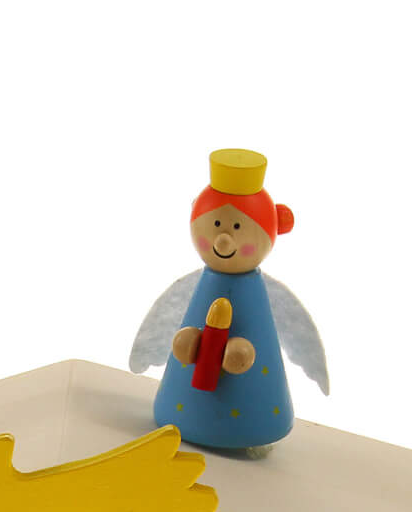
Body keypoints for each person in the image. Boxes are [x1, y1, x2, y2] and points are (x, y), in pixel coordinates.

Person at [129, 149, 327, 452]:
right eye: (216, 225)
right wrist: (187, 342)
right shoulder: (205, 284)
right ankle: (186, 416)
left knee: (244, 358)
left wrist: (240, 351)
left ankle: (250, 431)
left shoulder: (254, 292)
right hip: (179, 409)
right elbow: (170, 322)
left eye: (236, 227)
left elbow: (286, 331)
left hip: (252, 412)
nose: (223, 240)